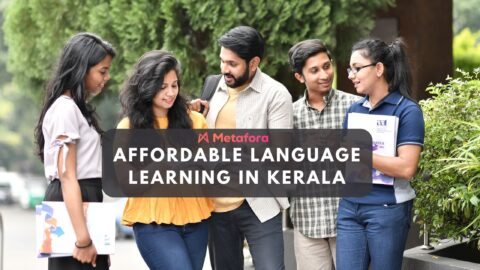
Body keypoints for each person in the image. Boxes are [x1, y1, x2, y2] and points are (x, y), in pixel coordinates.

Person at [191, 25, 293, 270]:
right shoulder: (212, 87)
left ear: (254, 62)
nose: (225, 69)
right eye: (222, 61)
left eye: (232, 64)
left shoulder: (276, 95)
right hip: (215, 208)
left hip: (259, 204)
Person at [117, 50, 214, 270]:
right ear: (146, 86)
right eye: (162, 87)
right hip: (154, 225)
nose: (170, 93)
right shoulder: (128, 128)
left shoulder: (195, 121)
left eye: (174, 85)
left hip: (196, 222)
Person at [336, 38, 425, 270]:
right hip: (349, 206)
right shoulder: (354, 110)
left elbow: (407, 168)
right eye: (350, 69)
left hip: (387, 209)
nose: (350, 75)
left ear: (378, 69)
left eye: (357, 68)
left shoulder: (407, 111)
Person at [34, 32, 115, 269]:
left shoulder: (77, 110)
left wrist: (98, 240)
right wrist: (83, 240)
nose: (107, 77)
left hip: (86, 200)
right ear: (82, 68)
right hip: (74, 201)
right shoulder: (64, 109)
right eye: (102, 70)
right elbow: (68, 176)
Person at [288, 39, 360, 270]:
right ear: (300, 77)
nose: (324, 74)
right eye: (314, 70)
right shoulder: (289, 116)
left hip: (349, 223)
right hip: (307, 223)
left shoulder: (356, 107)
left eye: (327, 66)